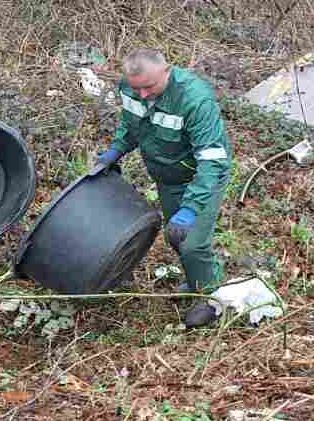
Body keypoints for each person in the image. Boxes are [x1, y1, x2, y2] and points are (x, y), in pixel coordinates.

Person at [95, 50, 232, 329]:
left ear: (166, 71)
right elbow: (131, 126)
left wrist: (190, 209)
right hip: (167, 177)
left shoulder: (194, 100)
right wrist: (114, 152)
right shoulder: (131, 89)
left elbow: (211, 161)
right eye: (137, 88)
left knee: (192, 243)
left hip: (202, 178)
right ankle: (197, 281)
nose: (143, 94)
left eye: (149, 86)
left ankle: (212, 299)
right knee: (176, 238)